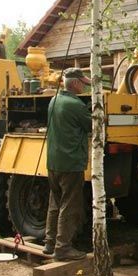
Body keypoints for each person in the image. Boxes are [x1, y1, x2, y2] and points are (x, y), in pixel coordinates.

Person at [43, 67, 92, 261]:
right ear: (75, 83)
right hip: (71, 162)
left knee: (55, 202)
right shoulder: (75, 104)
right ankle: (63, 248)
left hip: (54, 161)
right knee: (70, 205)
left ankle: (49, 243)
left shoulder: (54, 100)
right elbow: (91, 125)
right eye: (83, 83)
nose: (84, 87)